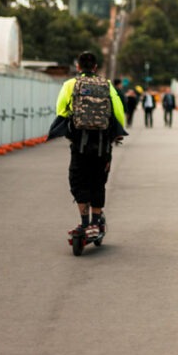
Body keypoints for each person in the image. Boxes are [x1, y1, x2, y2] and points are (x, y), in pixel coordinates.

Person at [51, 52, 126, 241]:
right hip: (102, 144)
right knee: (98, 181)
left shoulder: (70, 85)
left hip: (80, 143)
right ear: (95, 67)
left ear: (78, 67)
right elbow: (118, 112)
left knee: (78, 179)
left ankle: (84, 223)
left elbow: (61, 109)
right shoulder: (107, 85)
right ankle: (96, 221)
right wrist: (117, 133)